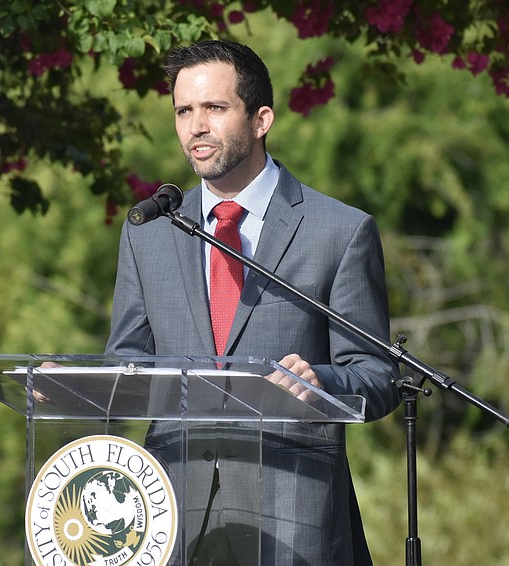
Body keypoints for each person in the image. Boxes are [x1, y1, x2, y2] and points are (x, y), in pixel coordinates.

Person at [105, 40, 401, 566]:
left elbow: (378, 376)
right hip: (171, 509)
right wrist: (71, 385)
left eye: (214, 108)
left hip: (292, 508)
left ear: (261, 118)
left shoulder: (339, 231)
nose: (196, 125)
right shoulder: (150, 233)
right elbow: (126, 363)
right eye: (183, 111)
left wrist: (321, 382)